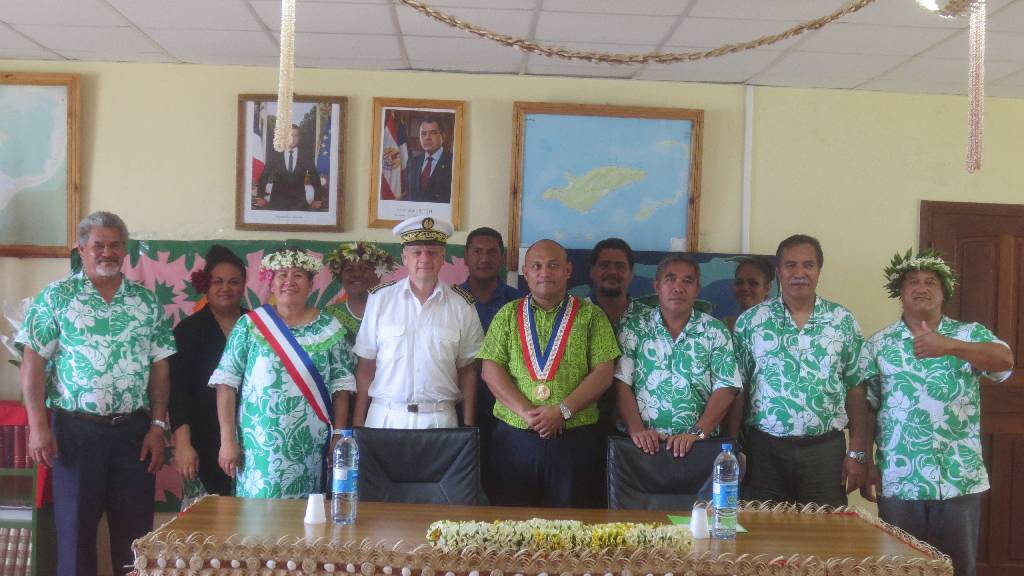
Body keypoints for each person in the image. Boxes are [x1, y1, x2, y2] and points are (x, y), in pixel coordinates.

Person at [16, 211, 176, 576]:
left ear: (125, 249)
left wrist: (157, 426)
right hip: (75, 433)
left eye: (115, 245)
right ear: (81, 249)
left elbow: (160, 367)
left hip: (134, 435)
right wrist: (38, 426)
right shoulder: (56, 297)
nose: (107, 252)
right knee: (74, 539)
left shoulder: (146, 302)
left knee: (135, 543)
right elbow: (32, 362)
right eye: (98, 245)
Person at [860, 249, 1013, 576]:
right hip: (900, 478)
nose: (921, 287)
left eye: (930, 282)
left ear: (944, 292)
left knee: (956, 568)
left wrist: (950, 346)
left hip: (958, 478)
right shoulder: (879, 344)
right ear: (900, 292)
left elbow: (1004, 362)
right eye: (913, 282)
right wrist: (866, 462)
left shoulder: (969, 334)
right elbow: (868, 405)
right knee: (900, 568)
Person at [478, 239, 620, 507]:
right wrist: (526, 413)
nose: (545, 272)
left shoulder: (591, 316)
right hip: (515, 438)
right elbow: (490, 369)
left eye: (553, 265)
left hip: (574, 440)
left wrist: (563, 411)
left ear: (568, 270)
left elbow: (604, 372)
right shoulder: (507, 315)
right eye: (537, 266)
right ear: (525, 272)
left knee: (573, 524)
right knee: (512, 523)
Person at [732, 234, 870, 507]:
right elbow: (739, 389)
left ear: (819, 270)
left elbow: (856, 388)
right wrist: (733, 447)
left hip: (824, 451)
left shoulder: (842, 321)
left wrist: (857, 452)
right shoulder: (751, 322)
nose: (799, 273)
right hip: (765, 450)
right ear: (779, 271)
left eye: (808, 265)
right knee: (763, 527)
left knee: (825, 528)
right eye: (791, 265)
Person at [211, 248, 355, 498]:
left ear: (310, 284)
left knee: (307, 516)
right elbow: (226, 384)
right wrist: (228, 441)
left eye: (298, 275)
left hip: (311, 447)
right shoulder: (250, 326)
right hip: (258, 448)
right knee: (256, 516)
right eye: (282, 275)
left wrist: (339, 437)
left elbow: (341, 388)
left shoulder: (329, 328)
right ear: (271, 283)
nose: (289, 281)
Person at [353, 216, 484, 429]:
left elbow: (467, 370)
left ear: (442, 258)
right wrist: (358, 423)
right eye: (416, 252)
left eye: (432, 252)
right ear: (405, 258)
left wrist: (469, 427)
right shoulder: (380, 300)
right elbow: (366, 366)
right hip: (385, 418)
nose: (424, 259)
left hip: (440, 419)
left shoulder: (462, 305)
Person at [615, 253, 741, 457]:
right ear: (657, 286)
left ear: (697, 289)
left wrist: (697, 433)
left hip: (698, 446)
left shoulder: (715, 331)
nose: (678, 288)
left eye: (688, 281)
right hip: (642, 446)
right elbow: (621, 382)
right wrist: (638, 430)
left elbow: (726, 387)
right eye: (670, 279)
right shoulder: (634, 328)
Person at [169, 245, 248, 497]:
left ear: (243, 286)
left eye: (234, 282)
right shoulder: (188, 331)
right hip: (203, 440)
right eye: (218, 281)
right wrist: (183, 445)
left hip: (254, 439)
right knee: (211, 516)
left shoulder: (258, 326)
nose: (226, 288)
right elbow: (178, 394)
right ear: (206, 286)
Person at [457, 226, 524, 500]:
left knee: (503, 481)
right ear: (465, 257)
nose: (484, 258)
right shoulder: (450, 300)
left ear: (502, 258)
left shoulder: (519, 303)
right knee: (460, 480)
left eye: (492, 252)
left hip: (508, 406)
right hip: (459, 404)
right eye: (477, 252)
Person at [324, 241, 398, 346]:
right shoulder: (328, 315)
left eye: (365, 269)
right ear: (340, 277)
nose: (357, 274)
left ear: (378, 275)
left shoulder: (395, 312)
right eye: (349, 270)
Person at [254, 124, 326, 211]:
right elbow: (264, 176)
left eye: (296, 135)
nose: (292, 139)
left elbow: (315, 178)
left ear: (299, 137)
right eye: (290, 135)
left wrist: (318, 199)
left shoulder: (306, 155)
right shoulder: (275, 154)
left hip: (299, 205)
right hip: (276, 204)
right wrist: (260, 197)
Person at [405, 117, 453, 204]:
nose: (427, 137)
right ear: (419, 137)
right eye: (423, 133)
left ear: (443, 137)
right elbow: (409, 195)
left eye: (433, 133)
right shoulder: (412, 163)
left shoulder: (453, 163)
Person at [724, 256, 774, 332]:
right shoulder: (723, 327)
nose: (745, 288)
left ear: (767, 287)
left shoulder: (781, 327)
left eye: (753, 283)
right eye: (739, 283)